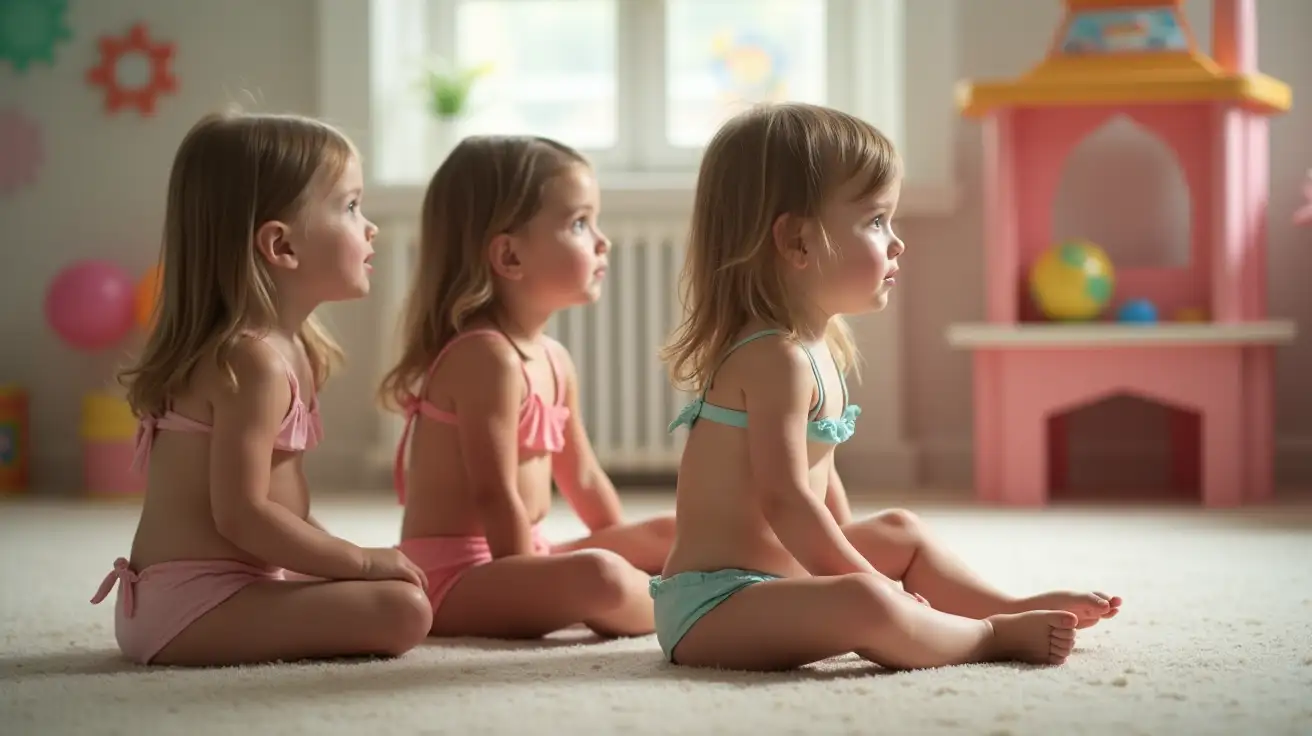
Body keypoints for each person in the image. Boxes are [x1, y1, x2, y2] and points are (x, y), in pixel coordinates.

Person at [652, 102, 1121, 671]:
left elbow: (820, 480)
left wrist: (854, 546)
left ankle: (999, 606)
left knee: (901, 529)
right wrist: (876, 582)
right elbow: (788, 500)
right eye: (876, 221)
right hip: (715, 607)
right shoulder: (772, 358)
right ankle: (988, 636)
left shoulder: (813, 345)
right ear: (798, 242)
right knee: (866, 599)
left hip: (779, 575)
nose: (896, 242)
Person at [93, 112, 432, 666]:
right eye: (350, 206)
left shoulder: (291, 350)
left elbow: (282, 513)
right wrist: (360, 562)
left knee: (400, 595)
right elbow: (243, 515)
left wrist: (346, 562)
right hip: (190, 607)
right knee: (402, 610)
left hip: (220, 589)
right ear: (282, 246)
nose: (369, 226)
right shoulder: (252, 362)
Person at [379, 135, 674, 640]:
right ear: (509, 256)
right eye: (580, 224)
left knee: (669, 531)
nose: (602, 240)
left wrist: (617, 539)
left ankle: (666, 587)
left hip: (524, 552)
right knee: (600, 577)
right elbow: (494, 492)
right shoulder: (483, 357)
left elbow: (581, 475)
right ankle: (693, 612)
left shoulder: (554, 359)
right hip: (456, 577)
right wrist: (530, 580)